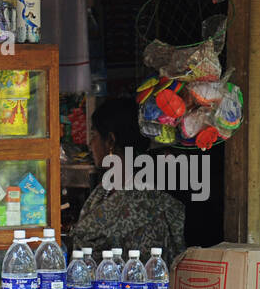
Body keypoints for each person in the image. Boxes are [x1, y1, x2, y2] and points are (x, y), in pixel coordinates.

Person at [67, 98, 186, 260]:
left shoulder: (148, 202)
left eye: (94, 134)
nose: (90, 143)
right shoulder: (105, 189)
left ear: (110, 140)